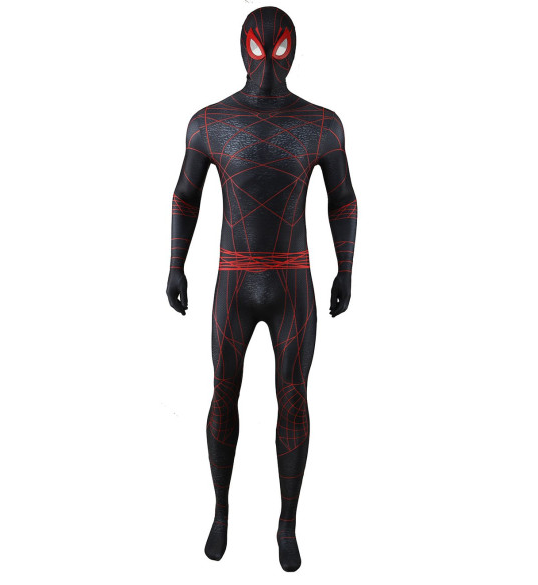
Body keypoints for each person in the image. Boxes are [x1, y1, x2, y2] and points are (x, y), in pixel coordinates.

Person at [166, 6, 358, 572]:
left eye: (277, 50)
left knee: (293, 398)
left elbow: (343, 198)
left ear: (294, 52)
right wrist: (175, 265)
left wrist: (346, 269)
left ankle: (287, 525)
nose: (269, 63)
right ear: (243, 49)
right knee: (223, 394)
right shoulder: (209, 123)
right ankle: (221, 512)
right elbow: (185, 195)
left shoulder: (321, 125)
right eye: (260, 48)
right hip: (240, 278)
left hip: (289, 280)